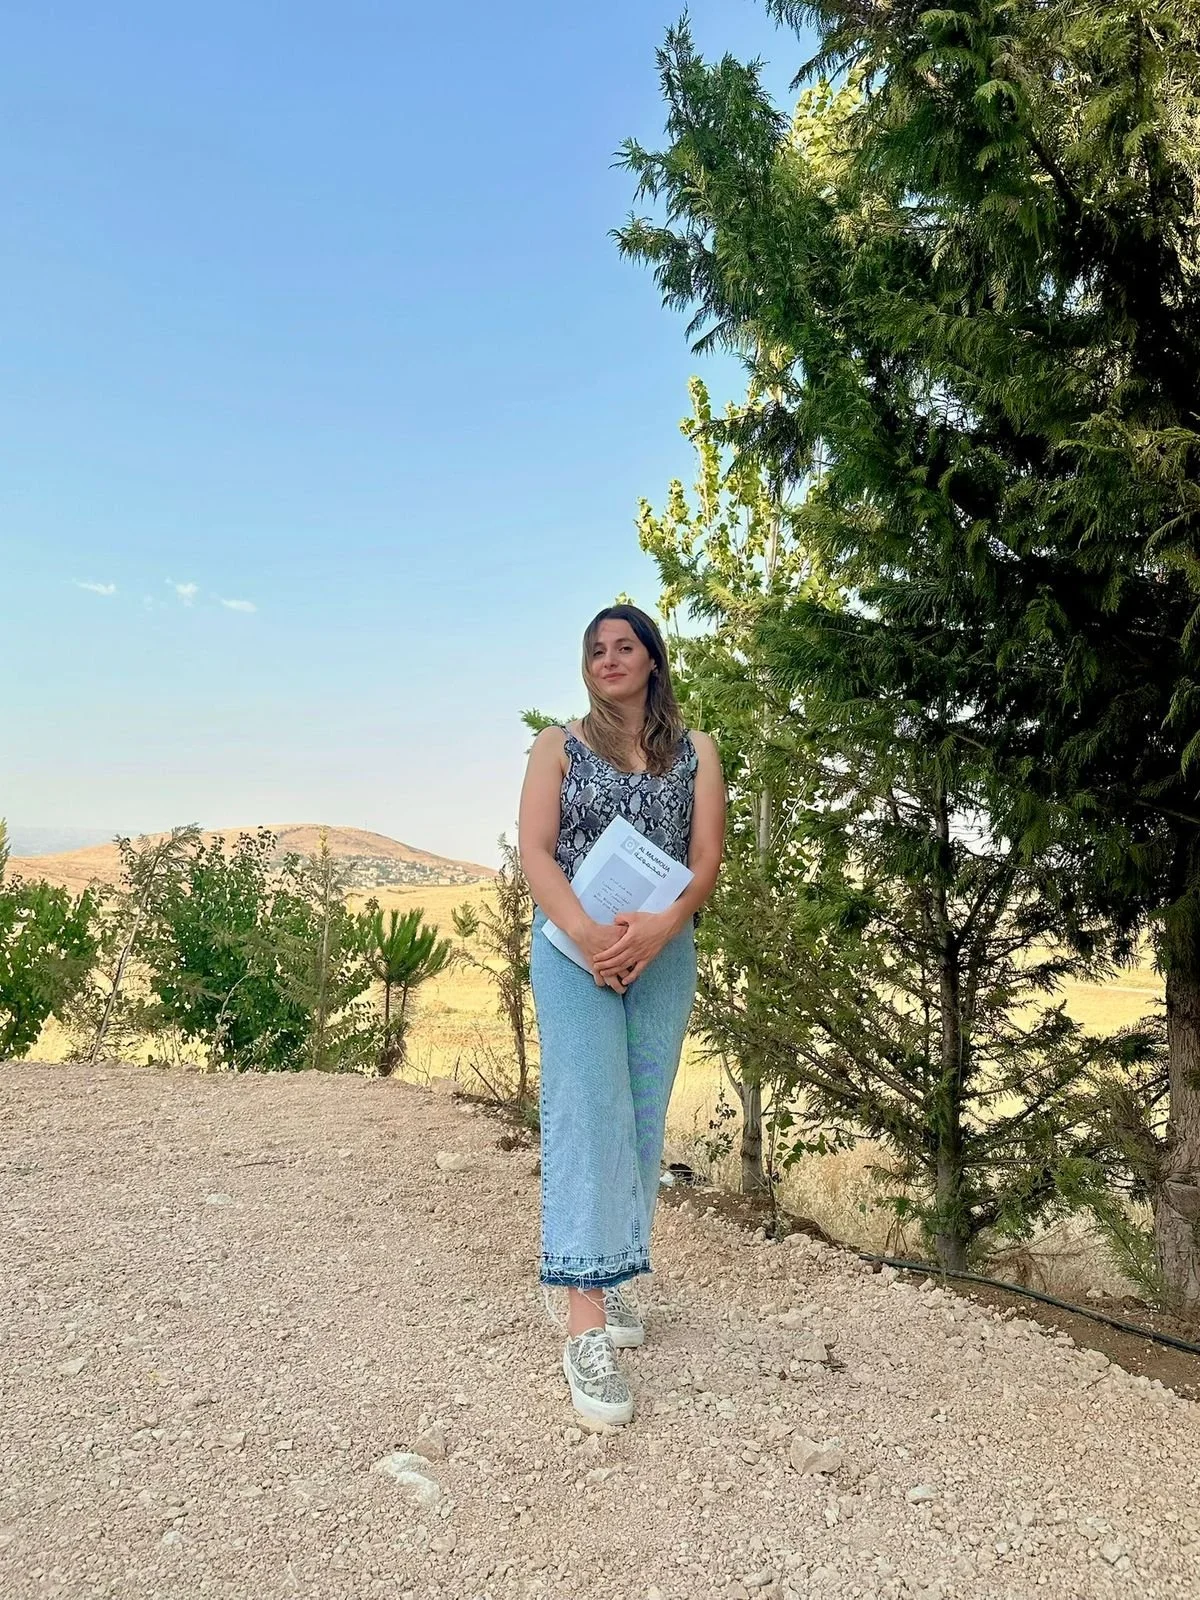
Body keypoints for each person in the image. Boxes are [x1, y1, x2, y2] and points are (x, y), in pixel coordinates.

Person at [517, 603, 726, 1425]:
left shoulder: (697, 753)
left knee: (639, 1118)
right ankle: (583, 1326)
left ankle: (605, 1270)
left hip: (664, 954)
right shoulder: (556, 747)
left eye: (623, 646)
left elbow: (704, 859)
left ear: (652, 659)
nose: (608, 659)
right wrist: (588, 934)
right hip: (575, 952)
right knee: (587, 1113)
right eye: (595, 649)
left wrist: (665, 925)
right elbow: (536, 849)